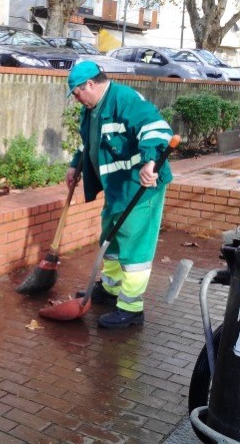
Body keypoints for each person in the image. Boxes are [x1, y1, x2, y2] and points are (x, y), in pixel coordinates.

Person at [65, 61, 173, 329]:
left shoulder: (124, 99)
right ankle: (110, 289)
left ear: (90, 84)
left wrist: (150, 162)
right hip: (116, 187)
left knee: (134, 244)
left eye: (77, 92)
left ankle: (131, 308)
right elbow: (89, 141)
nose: (76, 99)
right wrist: (76, 163)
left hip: (139, 187)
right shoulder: (91, 110)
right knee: (110, 238)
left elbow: (156, 128)